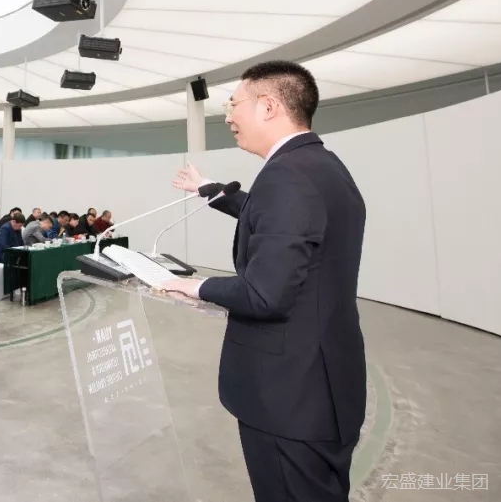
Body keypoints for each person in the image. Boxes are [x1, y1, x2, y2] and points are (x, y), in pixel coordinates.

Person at [156, 61, 366, 502]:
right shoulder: (320, 166)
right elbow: (283, 221)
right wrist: (211, 189)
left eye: (233, 104)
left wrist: (193, 286)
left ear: (268, 106)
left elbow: (264, 294)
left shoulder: (287, 176)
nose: (228, 117)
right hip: (323, 386)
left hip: (290, 396)